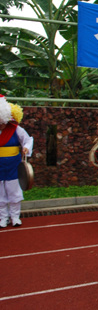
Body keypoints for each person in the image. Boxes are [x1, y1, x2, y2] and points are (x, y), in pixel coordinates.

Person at [0, 97, 33, 228]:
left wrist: (26, 148)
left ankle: (15, 217)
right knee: (0, 194)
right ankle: (3, 217)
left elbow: (28, 139)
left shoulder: (15, 129)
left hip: (13, 166)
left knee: (14, 192)